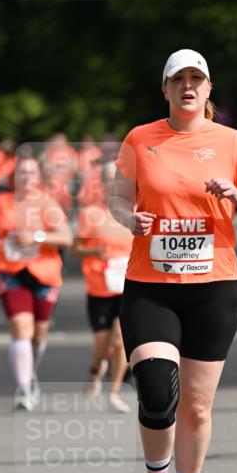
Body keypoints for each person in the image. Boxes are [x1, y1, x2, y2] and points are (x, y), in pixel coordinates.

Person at [108, 48, 237, 473]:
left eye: (196, 79)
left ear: (208, 89)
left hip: (212, 288)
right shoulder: (141, 138)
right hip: (151, 287)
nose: (187, 87)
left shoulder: (232, 141)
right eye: (178, 79)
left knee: (197, 408)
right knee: (157, 388)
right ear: (164, 89)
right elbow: (118, 196)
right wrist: (126, 217)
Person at [0, 157, 73, 409]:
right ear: (15, 177)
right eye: (21, 172)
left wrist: (36, 236)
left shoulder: (48, 204)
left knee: (39, 332)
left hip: (44, 273)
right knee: (21, 326)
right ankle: (23, 388)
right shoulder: (0, 203)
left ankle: (29, 372)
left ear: (38, 177)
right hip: (10, 270)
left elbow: (66, 237)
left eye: (31, 172)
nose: (26, 177)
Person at [73, 162, 134, 413]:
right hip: (99, 286)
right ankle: (95, 370)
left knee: (120, 340)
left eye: (118, 179)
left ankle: (115, 391)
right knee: (101, 342)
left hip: (127, 285)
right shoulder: (91, 214)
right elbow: (75, 248)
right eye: (109, 179)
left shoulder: (134, 210)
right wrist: (91, 251)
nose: (114, 184)